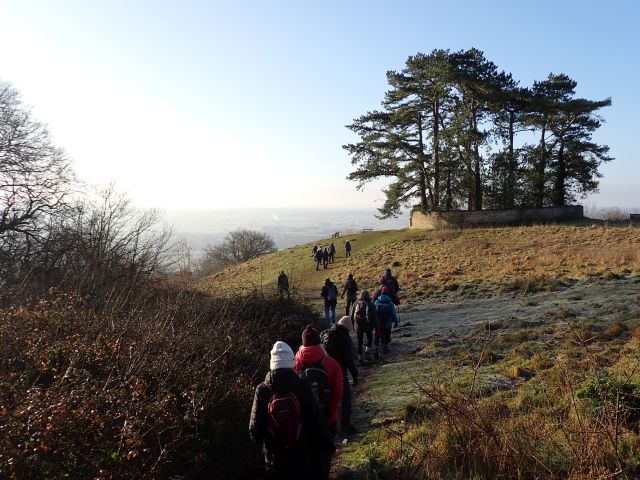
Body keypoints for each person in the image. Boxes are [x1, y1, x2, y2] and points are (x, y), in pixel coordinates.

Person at [249, 341, 335, 480]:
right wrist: (328, 444)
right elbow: (316, 420)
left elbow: (255, 433)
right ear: (291, 361)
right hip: (303, 456)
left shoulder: (263, 390)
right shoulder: (301, 385)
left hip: (275, 461)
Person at [295, 326, 343, 478]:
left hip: (304, 419)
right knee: (325, 452)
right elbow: (338, 391)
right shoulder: (331, 362)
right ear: (319, 342)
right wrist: (329, 410)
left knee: (308, 452)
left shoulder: (295, 363)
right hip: (327, 417)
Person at [321, 316, 358, 435]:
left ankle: (329, 424)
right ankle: (345, 424)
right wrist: (355, 375)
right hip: (339, 372)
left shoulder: (326, 334)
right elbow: (349, 360)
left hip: (324, 372)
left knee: (328, 398)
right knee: (345, 396)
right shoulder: (345, 338)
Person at [350, 290, 378, 364]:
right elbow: (374, 317)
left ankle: (360, 358)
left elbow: (351, 315)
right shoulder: (371, 304)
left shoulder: (355, 303)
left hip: (358, 326)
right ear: (368, 295)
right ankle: (367, 352)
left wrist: (352, 326)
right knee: (369, 339)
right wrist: (376, 326)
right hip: (368, 326)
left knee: (359, 341)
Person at [373, 287, 399, 355]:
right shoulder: (390, 302)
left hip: (379, 322)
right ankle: (385, 348)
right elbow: (393, 313)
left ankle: (377, 348)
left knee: (378, 335)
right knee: (387, 335)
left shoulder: (377, 301)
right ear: (387, 293)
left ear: (381, 292)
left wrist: (373, 322)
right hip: (388, 322)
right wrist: (396, 321)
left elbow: (373, 312)